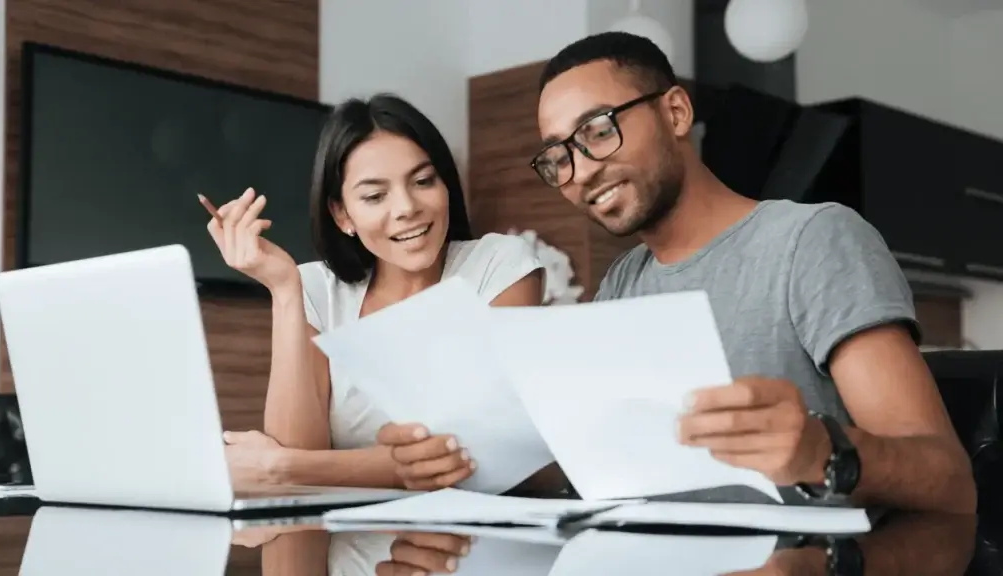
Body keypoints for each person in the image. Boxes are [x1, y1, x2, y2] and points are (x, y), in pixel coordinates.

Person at [381, 32, 977, 513]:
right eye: (558, 157)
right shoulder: (622, 281)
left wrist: (822, 449)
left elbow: (946, 478)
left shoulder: (813, 240)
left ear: (675, 111)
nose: (580, 171)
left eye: (597, 131)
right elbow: (601, 470)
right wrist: (463, 457)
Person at [205, 93, 545, 491]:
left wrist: (284, 467)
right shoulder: (315, 289)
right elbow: (297, 453)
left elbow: (479, 453)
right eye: (374, 196)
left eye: (423, 181)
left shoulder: (499, 266)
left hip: (467, 544)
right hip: (343, 547)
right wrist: (283, 291)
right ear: (342, 214)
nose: (406, 207)